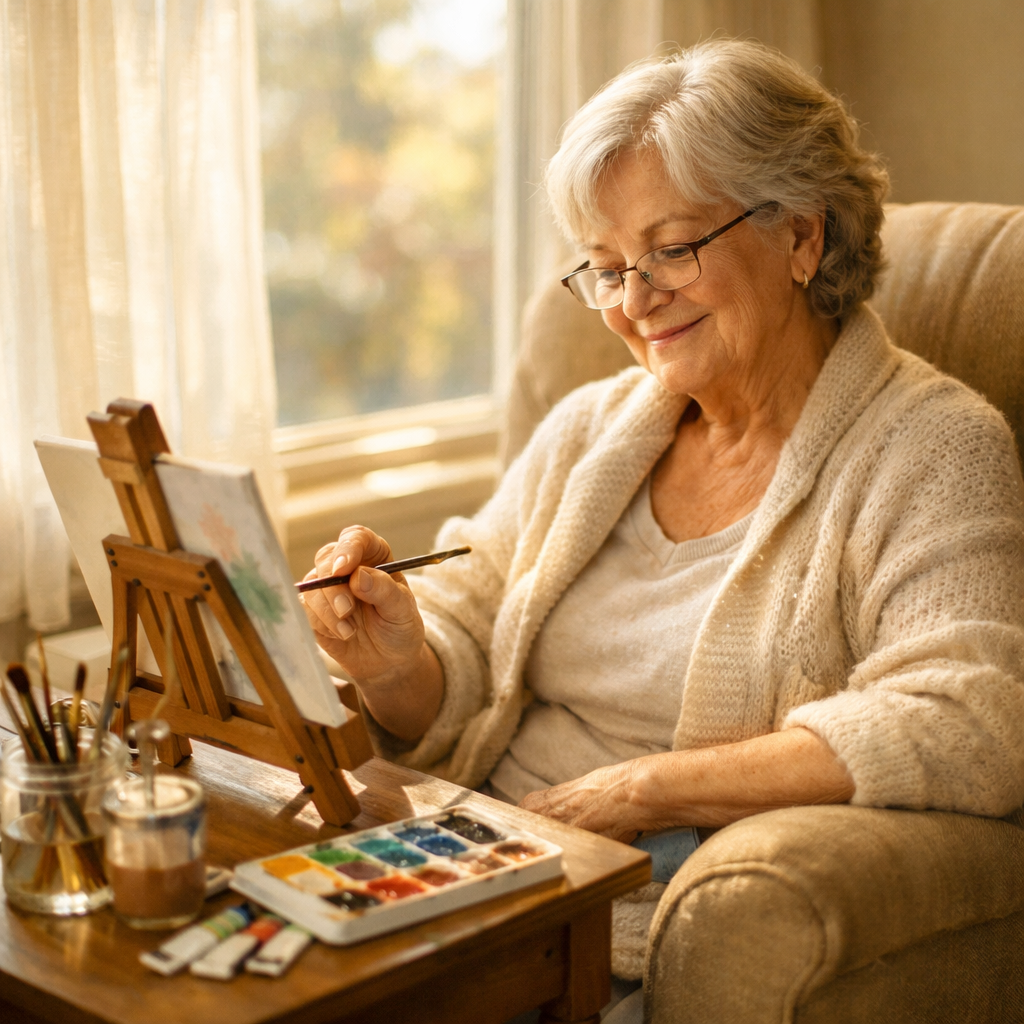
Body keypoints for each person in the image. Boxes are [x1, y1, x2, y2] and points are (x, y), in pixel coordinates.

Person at [301, 37, 1024, 1004]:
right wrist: (397, 660)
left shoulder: (931, 448)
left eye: (671, 248)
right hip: (463, 878)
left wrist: (648, 787)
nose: (635, 302)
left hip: (611, 925)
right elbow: (467, 624)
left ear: (802, 237)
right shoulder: (589, 431)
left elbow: (972, 716)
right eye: (606, 267)